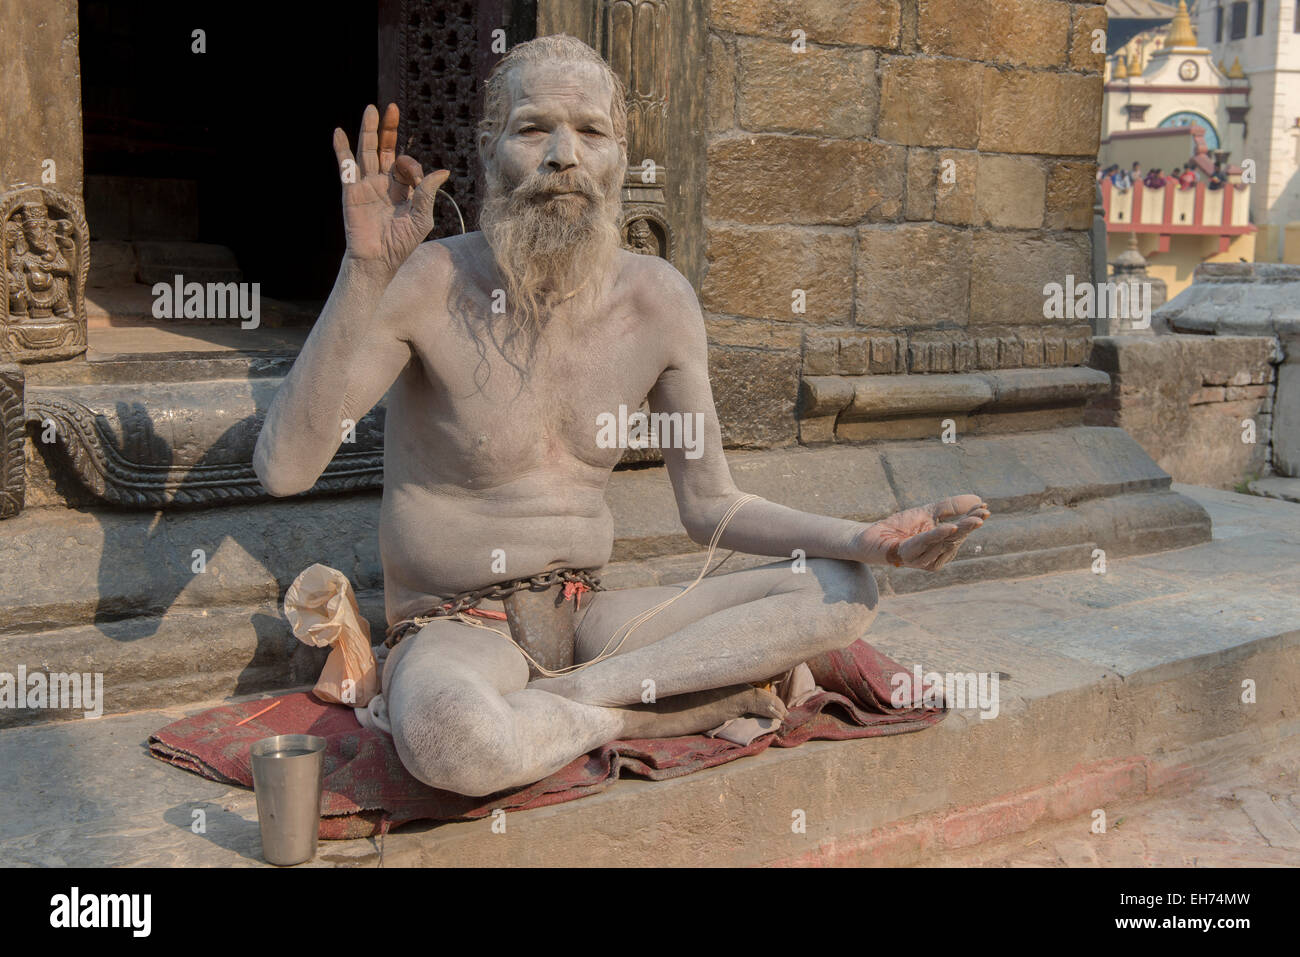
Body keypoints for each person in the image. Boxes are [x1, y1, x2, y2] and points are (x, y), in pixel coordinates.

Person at [253, 35, 990, 796]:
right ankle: (646, 709)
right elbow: (283, 468)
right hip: (462, 632)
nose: (563, 155)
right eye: (533, 128)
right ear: (488, 149)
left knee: (842, 589)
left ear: (621, 158)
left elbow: (711, 505)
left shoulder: (657, 299)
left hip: (600, 622)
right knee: (454, 743)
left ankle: (573, 705)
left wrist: (865, 539)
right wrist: (366, 268)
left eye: (592, 132)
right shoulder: (428, 281)